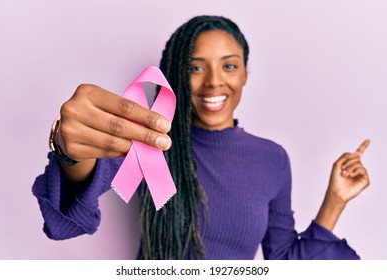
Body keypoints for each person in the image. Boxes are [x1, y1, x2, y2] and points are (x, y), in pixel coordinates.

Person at [32, 15, 370, 260]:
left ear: (245, 74)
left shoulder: (272, 158)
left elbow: (282, 261)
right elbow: (81, 192)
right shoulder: (153, 144)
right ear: (177, 75)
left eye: (229, 66)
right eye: (195, 67)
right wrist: (70, 151)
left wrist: (335, 201)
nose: (213, 82)